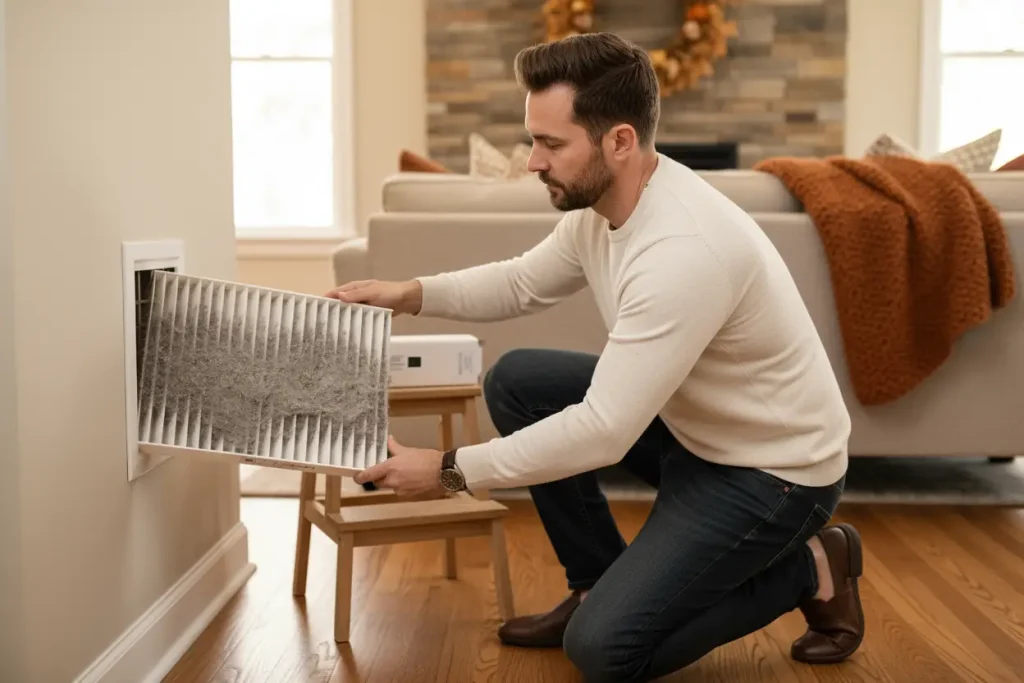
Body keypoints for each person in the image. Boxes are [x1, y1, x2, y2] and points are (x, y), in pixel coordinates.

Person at [328, 31, 865, 683]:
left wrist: (446, 469)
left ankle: (811, 562)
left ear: (619, 141)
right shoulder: (603, 205)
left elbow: (605, 430)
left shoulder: (682, 250)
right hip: (698, 433)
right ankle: (595, 583)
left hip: (773, 474)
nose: (531, 161)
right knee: (520, 380)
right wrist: (408, 294)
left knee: (605, 651)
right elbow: (523, 281)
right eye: (534, 139)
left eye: (551, 143)